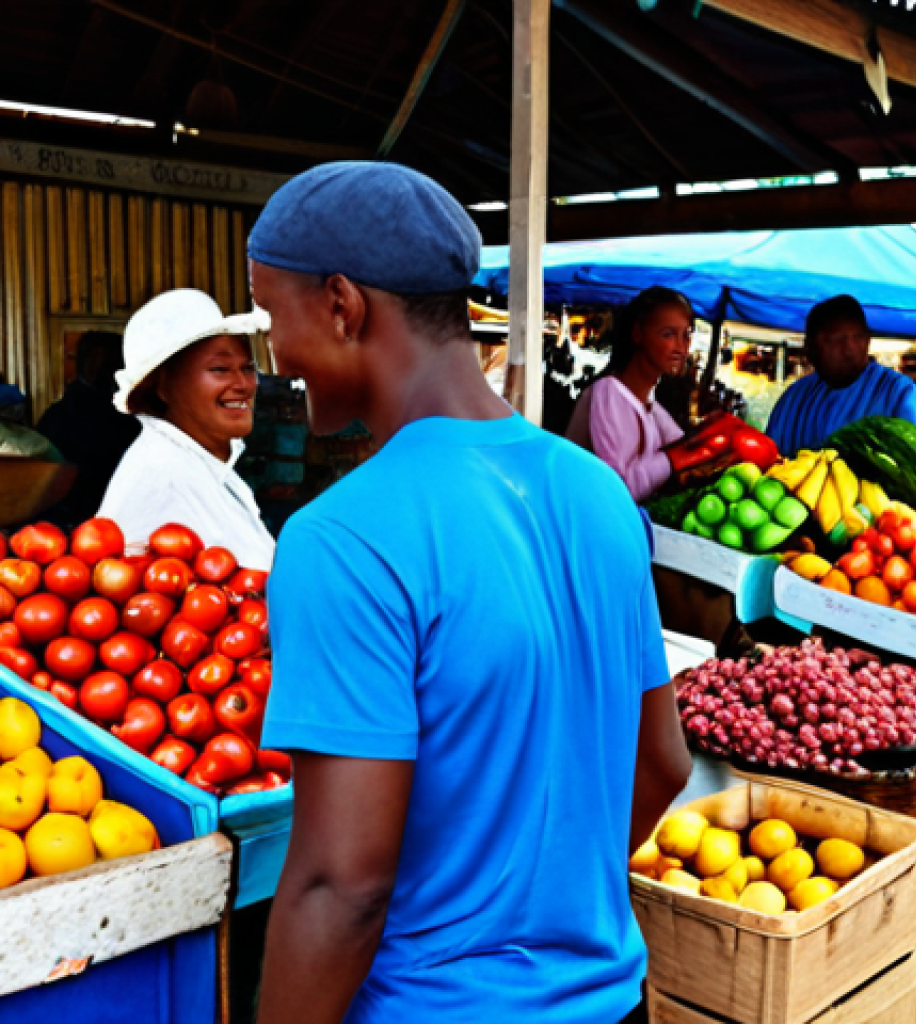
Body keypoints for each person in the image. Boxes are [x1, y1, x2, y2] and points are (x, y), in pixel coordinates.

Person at [248, 162, 691, 1024]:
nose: (275, 353)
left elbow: (343, 886)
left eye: (272, 316)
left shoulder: (342, 538)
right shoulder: (598, 493)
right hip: (613, 1002)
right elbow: (664, 762)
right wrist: (544, 902)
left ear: (342, 305)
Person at [98, 289, 275, 570]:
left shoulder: (206, 466)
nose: (245, 384)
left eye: (248, 367)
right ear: (163, 385)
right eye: (220, 369)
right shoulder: (160, 476)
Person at [565, 286, 692, 502]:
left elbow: (682, 443)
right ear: (637, 334)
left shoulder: (648, 403)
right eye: (668, 334)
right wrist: (675, 458)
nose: (681, 347)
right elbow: (619, 489)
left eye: (686, 335)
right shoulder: (608, 393)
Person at [766, 294, 916, 457]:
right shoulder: (792, 399)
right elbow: (765, 461)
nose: (849, 349)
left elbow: (910, 465)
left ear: (868, 340)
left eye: (858, 337)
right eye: (835, 340)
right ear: (809, 348)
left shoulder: (897, 392)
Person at [36, 331, 141, 526]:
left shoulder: (131, 416)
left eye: (104, 360)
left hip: (114, 522)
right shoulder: (60, 414)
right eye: (92, 358)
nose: (97, 367)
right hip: (67, 523)